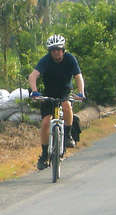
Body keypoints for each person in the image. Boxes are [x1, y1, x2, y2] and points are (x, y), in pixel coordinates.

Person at [27, 34, 85, 170]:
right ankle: (44, 154)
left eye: (58, 50)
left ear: (63, 49)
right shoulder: (45, 60)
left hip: (64, 91)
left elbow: (78, 76)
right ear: (50, 51)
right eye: (53, 50)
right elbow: (33, 76)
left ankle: (68, 135)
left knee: (67, 107)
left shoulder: (70, 59)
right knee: (46, 122)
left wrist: (81, 92)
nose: (56, 53)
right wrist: (34, 91)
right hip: (49, 93)